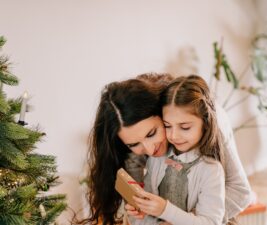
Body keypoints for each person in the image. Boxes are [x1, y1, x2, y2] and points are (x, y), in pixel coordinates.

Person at [78, 73, 251, 225]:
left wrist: (180, 217)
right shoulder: (150, 153)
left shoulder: (208, 125)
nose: (149, 149)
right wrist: (138, 204)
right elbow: (135, 176)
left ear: (162, 114)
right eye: (133, 144)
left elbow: (240, 192)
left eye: (152, 133)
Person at [126, 75, 226, 225]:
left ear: (205, 123)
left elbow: (210, 222)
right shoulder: (157, 158)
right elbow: (144, 215)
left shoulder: (211, 170)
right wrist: (140, 211)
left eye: (185, 127)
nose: (173, 135)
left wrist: (165, 210)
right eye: (167, 125)